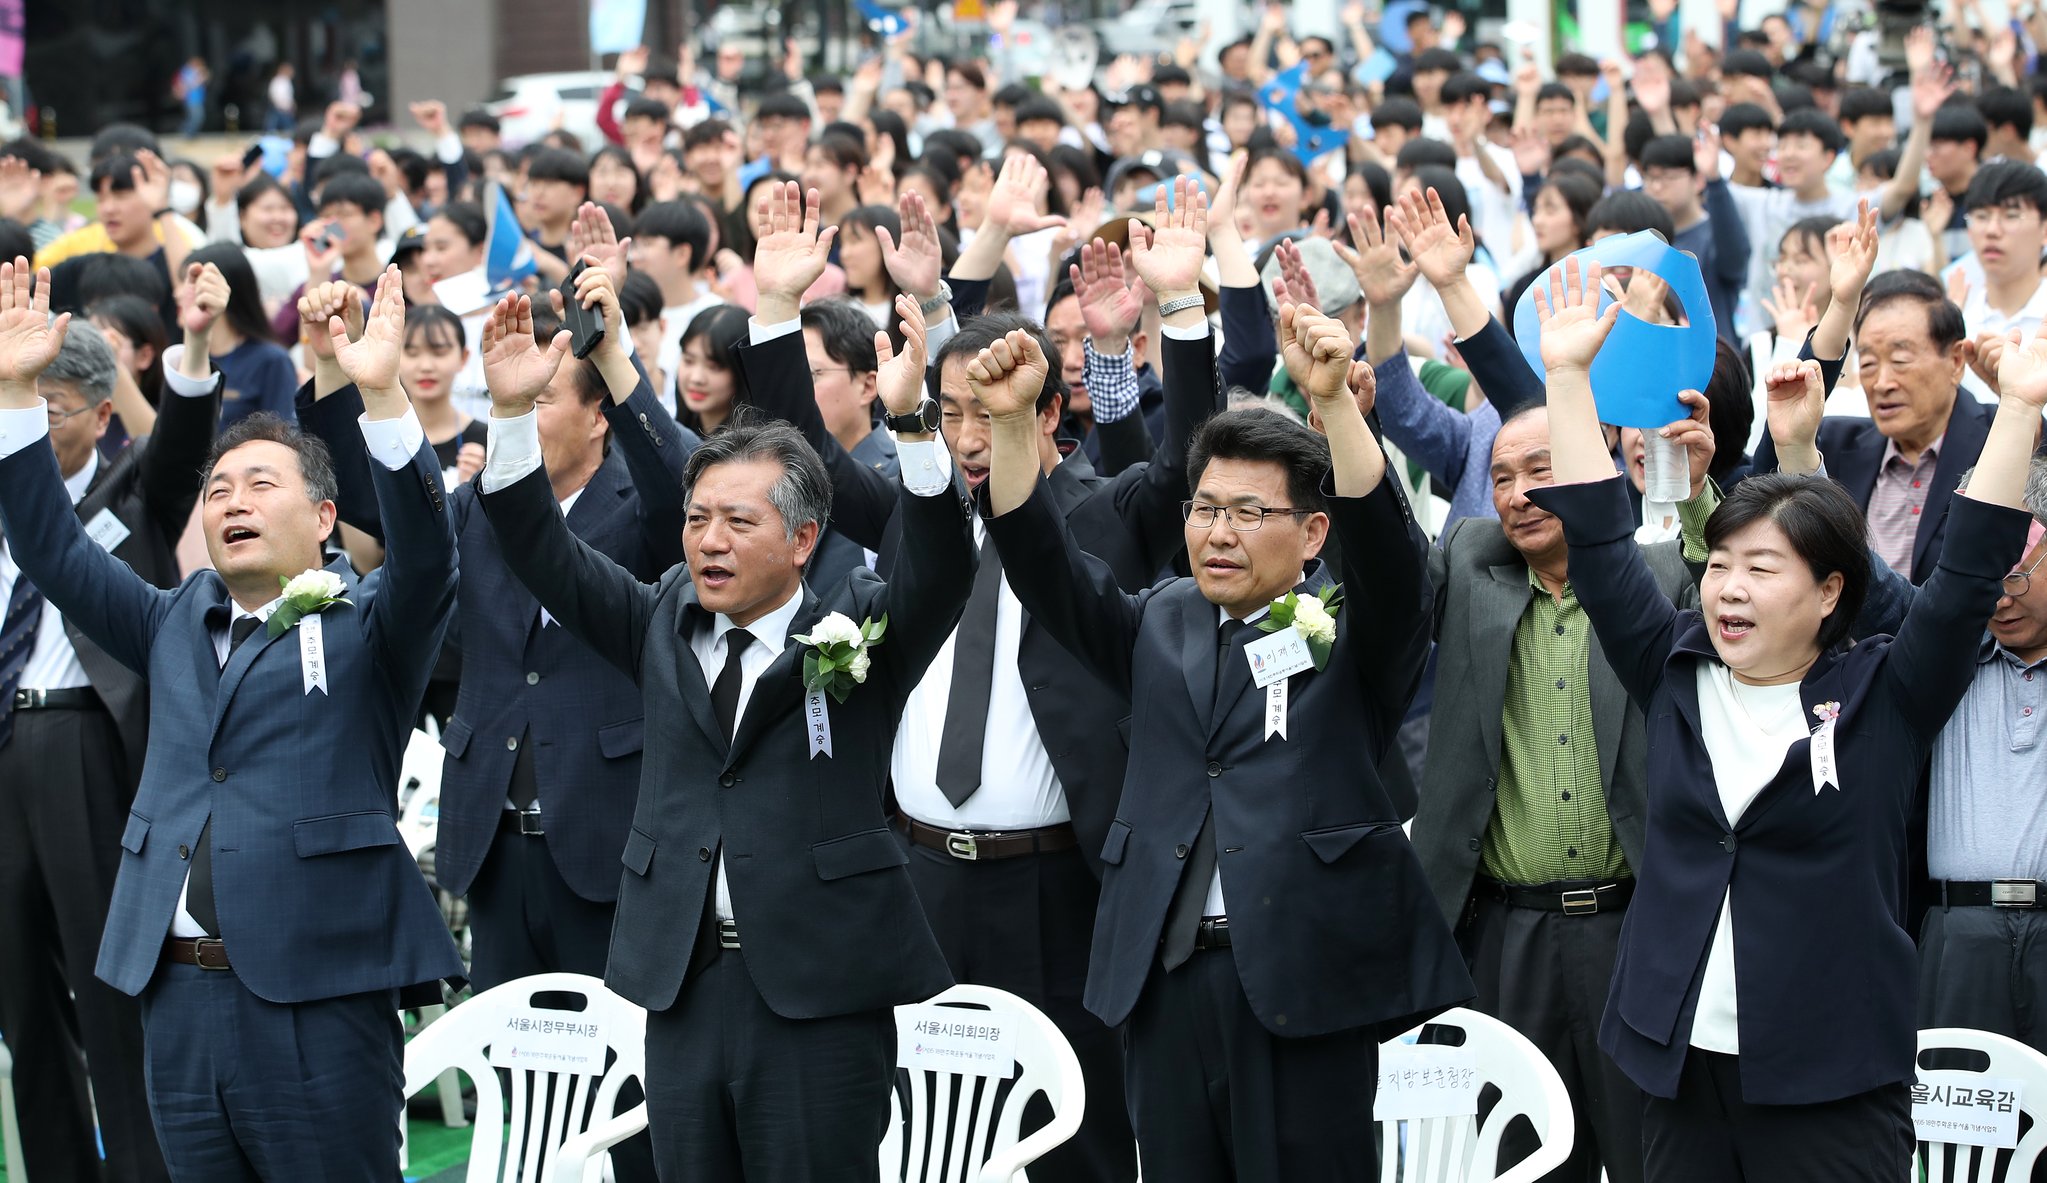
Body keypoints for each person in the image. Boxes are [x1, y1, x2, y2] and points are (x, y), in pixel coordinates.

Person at [1526, 254, 2044, 1180]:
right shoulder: (1676, 671)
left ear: (1828, 590)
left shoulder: (1886, 692)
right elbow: (1601, 546)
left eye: (1761, 570)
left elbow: (1966, 572)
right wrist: (1567, 381)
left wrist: (2017, 409)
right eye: (1720, 565)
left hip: (1830, 1073)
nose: (1727, 589)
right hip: (1677, 1062)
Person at [743, 180, 1219, 1182]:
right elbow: (796, 451)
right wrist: (779, 312)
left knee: (1070, 1134)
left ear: (1045, 411)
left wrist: (1175, 314)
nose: (963, 434)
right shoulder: (916, 518)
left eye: (983, 412)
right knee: (920, 1135)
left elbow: (1187, 461)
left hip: (1058, 877)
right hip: (916, 870)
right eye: (946, 411)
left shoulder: (1106, 512)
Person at [475, 240, 973, 1176]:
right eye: (697, 518)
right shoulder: (659, 613)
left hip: (821, 988)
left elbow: (942, 564)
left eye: (738, 522)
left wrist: (912, 425)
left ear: (804, 539)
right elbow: (539, 546)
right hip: (684, 980)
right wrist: (511, 414)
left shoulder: (860, 623)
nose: (707, 540)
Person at [978, 265, 1470, 1175]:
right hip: (1164, 973)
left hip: (1303, 973)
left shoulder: (1354, 630)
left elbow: (1393, 559)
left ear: (1311, 534)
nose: (1217, 532)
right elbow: (1043, 561)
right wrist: (1011, 424)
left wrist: (1335, 403)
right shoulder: (1159, 615)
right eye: (1205, 509)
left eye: (1249, 512)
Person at [0, 261, 463, 1178]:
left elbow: (429, 554)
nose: (233, 502)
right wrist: (16, 397)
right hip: (175, 994)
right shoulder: (169, 617)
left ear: (325, 517)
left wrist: (380, 395)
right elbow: (47, 544)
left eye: (260, 485)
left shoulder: (370, 619)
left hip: (317, 989)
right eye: (218, 491)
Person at [0, 265, 231, 1183]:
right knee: (19, 988)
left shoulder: (135, 494)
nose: (33, 419)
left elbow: (180, 441)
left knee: (113, 985)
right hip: (3, 739)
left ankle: (144, 1168)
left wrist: (197, 347)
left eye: (51, 403)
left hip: (88, 744)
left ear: (101, 413)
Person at [1757, 269, 2000, 584]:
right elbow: (1762, 482)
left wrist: (2021, 406)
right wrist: (1842, 305)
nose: (1882, 383)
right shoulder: (1833, 444)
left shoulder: (1999, 438)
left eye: (1900, 360)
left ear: (1955, 361)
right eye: (1868, 364)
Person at [796, 297, 899, 592]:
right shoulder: (772, 473)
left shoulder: (899, 475)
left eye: (812, 374)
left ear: (867, 386)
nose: (798, 391)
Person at [183, 243, 297, 431]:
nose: (178, 293)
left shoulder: (271, 360)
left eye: (189, 283)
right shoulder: (183, 359)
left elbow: (282, 435)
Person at [266, 63, 296, 133]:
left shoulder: (279, 80)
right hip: (282, 109)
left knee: (273, 129)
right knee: (289, 130)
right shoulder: (282, 81)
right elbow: (280, 96)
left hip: (280, 108)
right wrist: (287, 106)